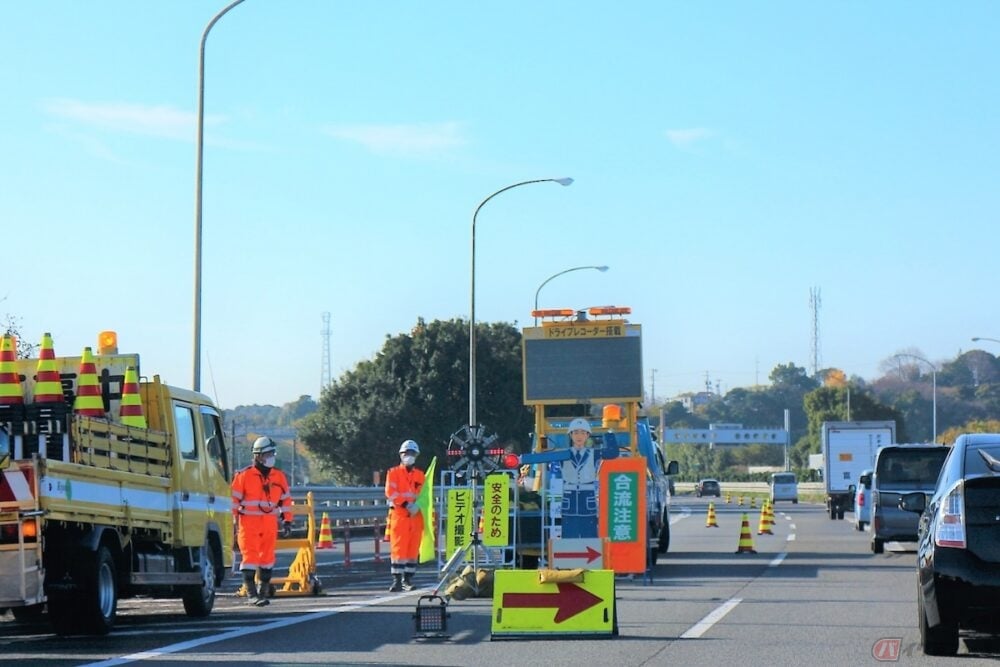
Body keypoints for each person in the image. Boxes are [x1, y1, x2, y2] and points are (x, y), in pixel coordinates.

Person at [521, 417, 618, 539]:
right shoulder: (564, 454)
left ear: (588, 435)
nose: (579, 436)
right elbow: (542, 458)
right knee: (569, 535)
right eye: (576, 432)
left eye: (583, 433)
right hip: (570, 499)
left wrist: (609, 432)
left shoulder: (593, 454)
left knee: (589, 534)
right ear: (571, 435)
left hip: (587, 498)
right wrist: (519, 459)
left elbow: (612, 452)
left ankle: (591, 555)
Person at [231, 436, 293, 606]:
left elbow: (286, 500)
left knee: (267, 558)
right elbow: (233, 501)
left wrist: (287, 521)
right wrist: (231, 524)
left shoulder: (278, 476)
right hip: (248, 523)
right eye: (268, 454)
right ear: (258, 456)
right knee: (250, 557)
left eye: (273, 453)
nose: (272, 456)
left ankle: (262, 591)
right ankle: (251, 594)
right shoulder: (244, 476)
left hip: (269, 523)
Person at [385, 439, 426, 592]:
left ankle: (407, 580)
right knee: (398, 549)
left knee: (412, 550)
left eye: (412, 453)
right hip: (400, 516)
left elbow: (424, 495)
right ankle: (396, 580)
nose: (409, 456)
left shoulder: (421, 475)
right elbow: (391, 492)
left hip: (415, 517)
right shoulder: (393, 473)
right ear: (401, 455)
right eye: (406, 453)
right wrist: (406, 504)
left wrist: (418, 505)